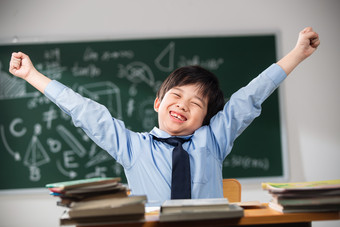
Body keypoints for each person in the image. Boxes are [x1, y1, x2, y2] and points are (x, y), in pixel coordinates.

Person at [9, 27, 320, 205]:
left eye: (196, 103)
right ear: (157, 102)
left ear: (206, 118)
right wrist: (33, 75)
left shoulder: (213, 140)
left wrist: (297, 54)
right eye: (176, 96)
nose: (183, 105)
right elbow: (85, 111)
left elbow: (249, 97)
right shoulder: (132, 148)